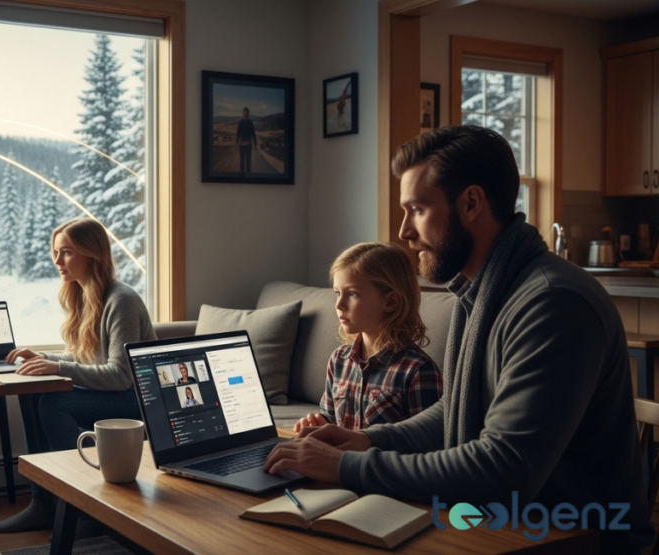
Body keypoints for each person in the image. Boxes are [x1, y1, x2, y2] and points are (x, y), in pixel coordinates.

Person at [264, 126, 652, 552]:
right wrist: (370, 439)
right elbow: (457, 408)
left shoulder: (552, 303)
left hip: (574, 538)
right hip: (503, 526)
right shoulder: (481, 291)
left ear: (471, 203)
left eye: (417, 209)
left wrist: (349, 466)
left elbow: (505, 470)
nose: (405, 233)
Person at [0, 218, 156, 533]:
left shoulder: (121, 300)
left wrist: (58, 368)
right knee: (31, 393)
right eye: (56, 252)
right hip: (117, 395)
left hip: (140, 400)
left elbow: (122, 375)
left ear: (91, 254)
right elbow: (88, 358)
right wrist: (46, 358)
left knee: (54, 403)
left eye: (66, 252)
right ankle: (42, 503)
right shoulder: (83, 296)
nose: (57, 261)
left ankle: (86, 506)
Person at [293, 242, 441, 432]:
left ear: (390, 301)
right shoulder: (339, 360)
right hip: (339, 461)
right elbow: (330, 416)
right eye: (337, 293)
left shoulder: (418, 371)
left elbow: (426, 443)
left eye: (352, 293)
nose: (339, 305)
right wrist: (320, 423)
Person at [236, 107, 256, 175]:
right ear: (243, 113)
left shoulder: (250, 122)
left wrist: (255, 143)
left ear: (248, 113)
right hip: (242, 145)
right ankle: (241, 179)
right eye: (244, 112)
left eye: (246, 112)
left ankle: (248, 179)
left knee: (248, 164)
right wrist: (236, 143)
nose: (245, 113)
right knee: (241, 163)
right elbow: (238, 133)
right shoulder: (240, 122)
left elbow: (253, 133)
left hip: (248, 146)